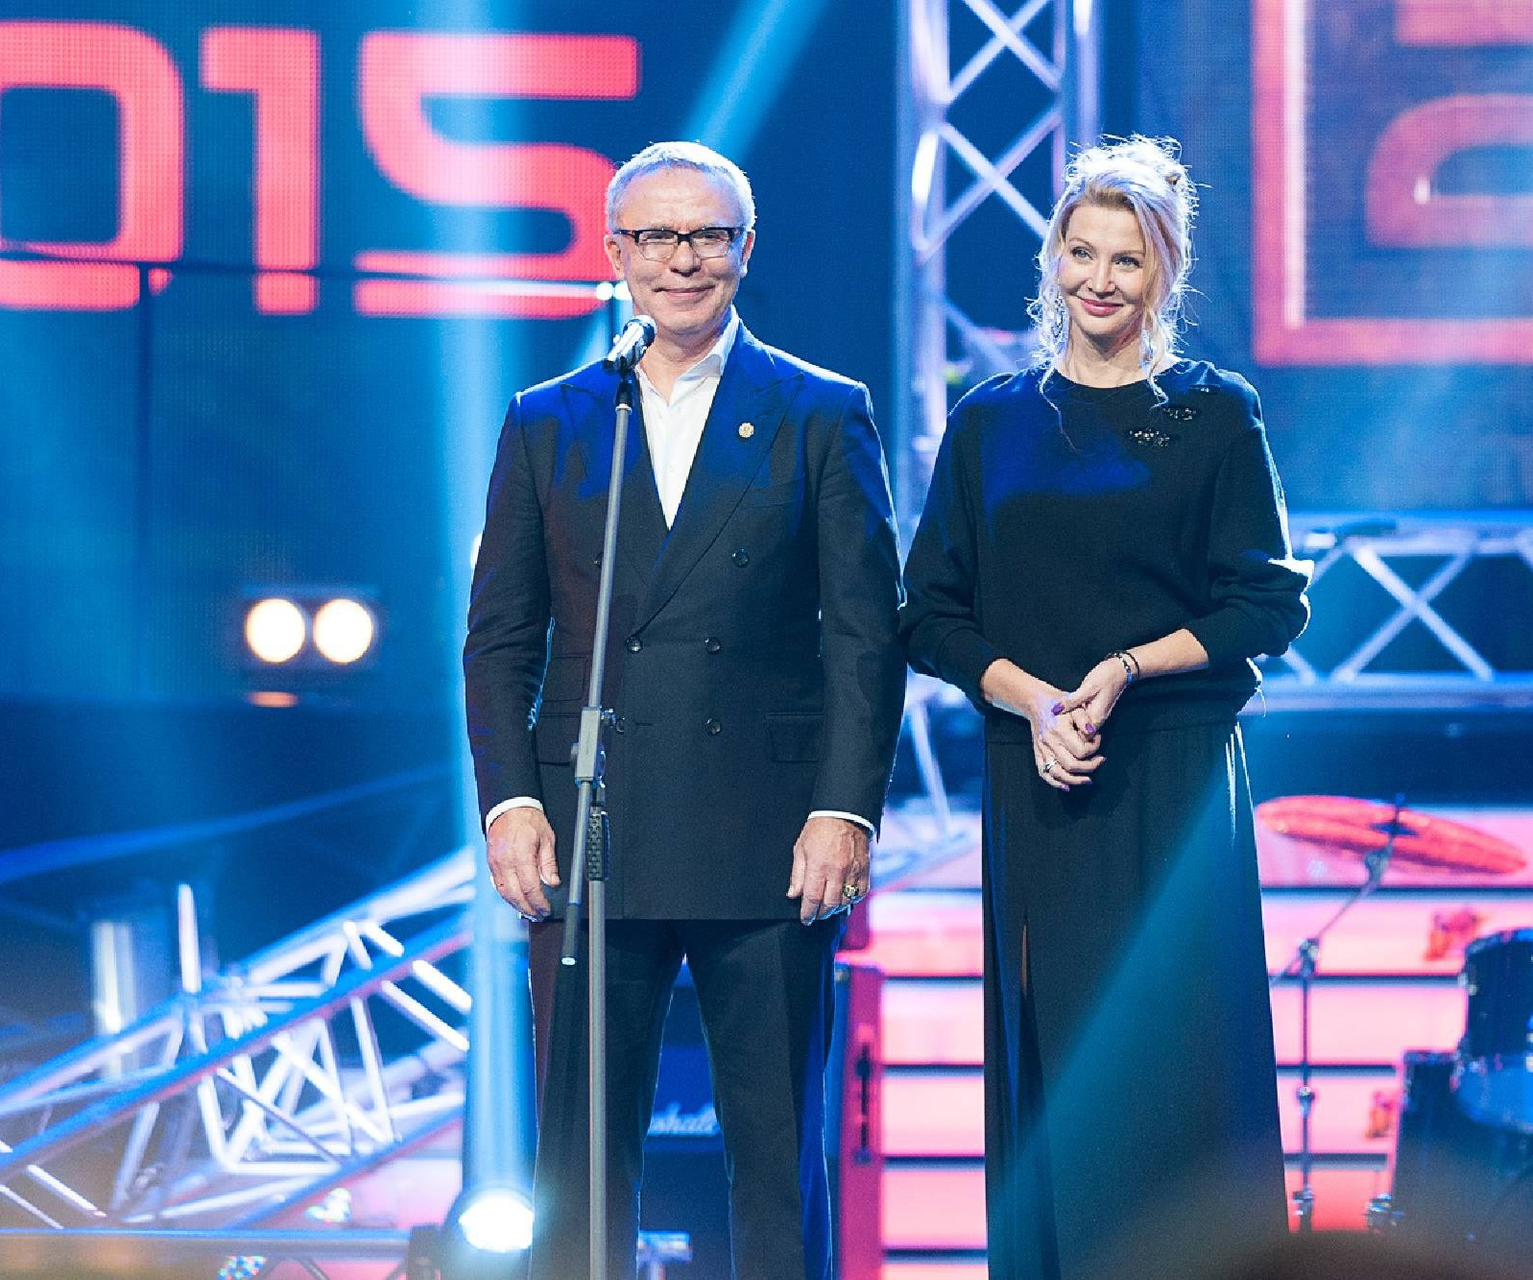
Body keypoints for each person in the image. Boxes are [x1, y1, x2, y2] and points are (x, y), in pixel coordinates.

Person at [463, 141, 905, 1280]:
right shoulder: (554, 418)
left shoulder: (821, 411)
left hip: (768, 831)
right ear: (615, 254)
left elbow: (866, 636)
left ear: (745, 249)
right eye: (655, 236)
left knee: (775, 1152)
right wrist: (511, 802)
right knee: (579, 1154)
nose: (682, 259)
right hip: (590, 830)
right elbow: (501, 637)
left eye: (706, 234)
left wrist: (844, 809)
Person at [901, 136, 1311, 1278]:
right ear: (1052, 260)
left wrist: (1125, 668)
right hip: (1039, 781)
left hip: (1173, 776)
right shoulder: (991, 421)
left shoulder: (1215, 415)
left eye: (1126, 259)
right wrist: (1036, 703)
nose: (1099, 279)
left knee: (1181, 1059)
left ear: (1163, 272)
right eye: (1080, 252)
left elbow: (1268, 602)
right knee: (1061, 1062)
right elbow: (928, 613)